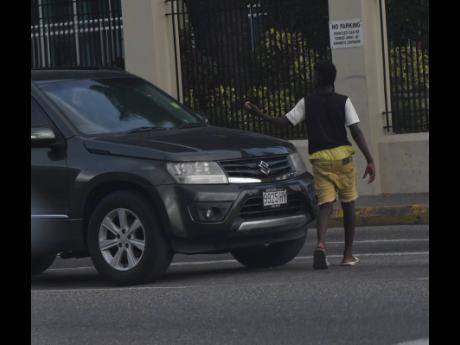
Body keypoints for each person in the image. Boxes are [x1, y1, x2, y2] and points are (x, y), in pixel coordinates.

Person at [244, 60, 376, 269]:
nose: (312, 77)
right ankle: (348, 255)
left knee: (325, 205)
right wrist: (370, 160)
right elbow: (356, 131)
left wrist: (259, 114)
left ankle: (321, 244)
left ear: (319, 78)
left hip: (320, 160)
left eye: (314, 74)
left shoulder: (307, 102)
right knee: (348, 205)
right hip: (343, 159)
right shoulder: (344, 101)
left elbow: (283, 122)